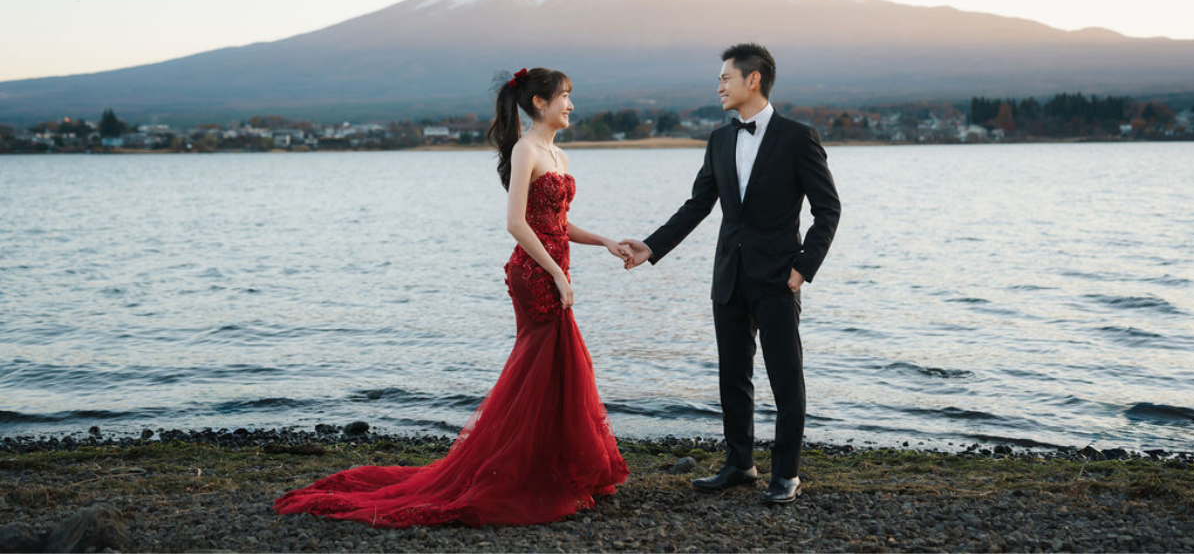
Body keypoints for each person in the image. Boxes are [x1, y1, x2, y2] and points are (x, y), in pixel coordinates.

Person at [274, 67, 630, 528]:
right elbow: (517, 224)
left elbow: (559, 225)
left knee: (555, 367)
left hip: (554, 267)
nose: (571, 105)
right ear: (540, 103)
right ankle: (526, 472)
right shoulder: (526, 150)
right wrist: (556, 276)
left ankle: (551, 467)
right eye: (565, 96)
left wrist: (604, 242)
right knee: (542, 365)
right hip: (534, 273)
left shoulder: (557, 154)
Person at [621, 43, 840, 504]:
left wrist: (804, 268)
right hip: (729, 277)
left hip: (780, 278)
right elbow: (698, 204)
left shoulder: (799, 138)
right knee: (732, 377)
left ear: (752, 79)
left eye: (725, 77)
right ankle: (740, 463)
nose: (719, 85)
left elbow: (828, 209)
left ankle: (787, 475)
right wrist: (652, 245)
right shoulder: (720, 139)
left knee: (786, 379)